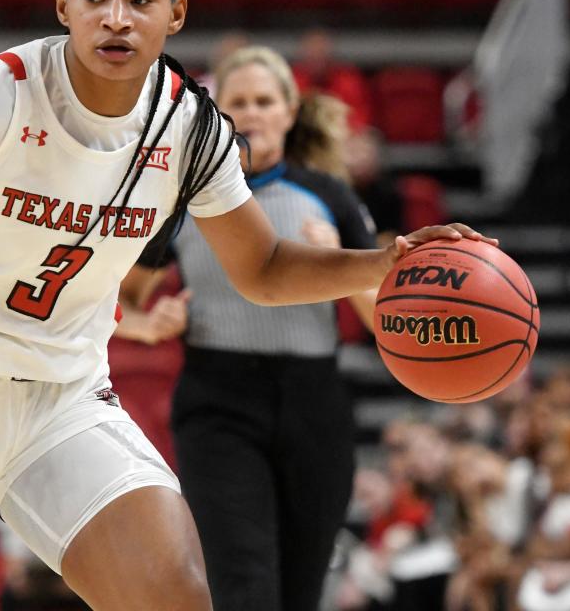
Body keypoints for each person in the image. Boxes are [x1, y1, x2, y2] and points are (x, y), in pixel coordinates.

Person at [0, 0, 495, 610]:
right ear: (64, 5)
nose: (116, 18)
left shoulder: (193, 129)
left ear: (174, 14)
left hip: (60, 392)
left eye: (141, 0)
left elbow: (261, 268)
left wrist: (384, 262)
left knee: (175, 594)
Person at [116, 45, 379, 611]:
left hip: (315, 406)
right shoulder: (185, 197)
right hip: (219, 404)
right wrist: (151, 324)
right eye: (240, 102)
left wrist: (338, 263)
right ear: (219, 114)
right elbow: (119, 304)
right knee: (244, 586)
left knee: (301, 591)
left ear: (290, 111)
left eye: (266, 101)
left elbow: (386, 321)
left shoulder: (331, 197)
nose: (254, 112)